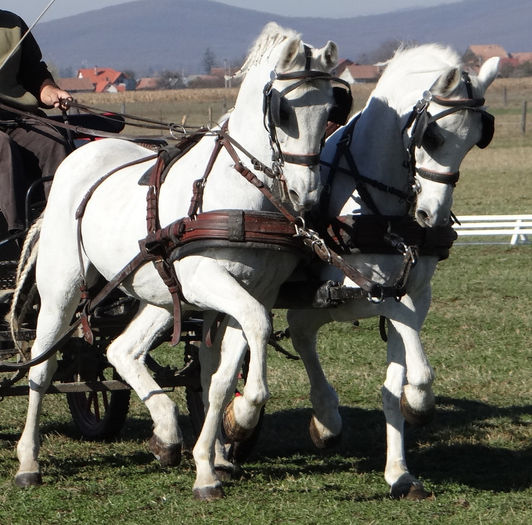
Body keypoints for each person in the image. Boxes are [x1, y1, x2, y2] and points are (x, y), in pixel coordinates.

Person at [0, 9, 72, 235]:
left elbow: (33, 72)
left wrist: (49, 91)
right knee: (2, 147)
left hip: (17, 117)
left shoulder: (13, 24)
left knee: (53, 142)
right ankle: (15, 234)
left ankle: (60, 225)